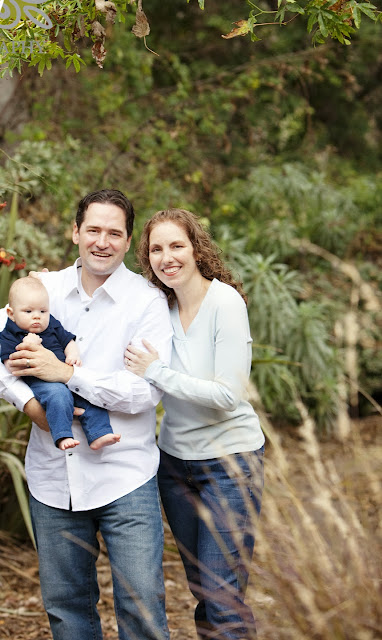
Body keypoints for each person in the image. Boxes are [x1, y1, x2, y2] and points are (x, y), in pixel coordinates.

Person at [0, 189, 172, 640]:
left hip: (125, 476)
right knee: (67, 612)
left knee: (143, 614)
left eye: (114, 233)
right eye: (93, 230)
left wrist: (65, 374)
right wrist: (30, 404)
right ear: (75, 232)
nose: (102, 241)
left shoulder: (147, 302)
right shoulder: (43, 288)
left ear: (127, 240)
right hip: (52, 478)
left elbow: (146, 392)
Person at [125, 208, 265, 640]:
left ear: (196, 249)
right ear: (147, 258)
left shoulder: (225, 302)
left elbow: (228, 395)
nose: (167, 257)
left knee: (221, 595)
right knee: (204, 590)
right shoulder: (154, 305)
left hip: (231, 462)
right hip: (175, 467)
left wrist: (155, 372)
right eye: (156, 249)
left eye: (176, 245)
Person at [0, 276, 120, 451]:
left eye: (43, 311)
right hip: (40, 382)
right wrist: (30, 348)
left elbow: (68, 340)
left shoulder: (52, 325)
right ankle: (62, 435)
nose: (37, 317)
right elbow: (10, 366)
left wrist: (73, 355)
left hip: (65, 375)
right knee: (58, 396)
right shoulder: (10, 334)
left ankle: (99, 433)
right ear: (11, 313)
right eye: (28, 312)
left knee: (89, 395)